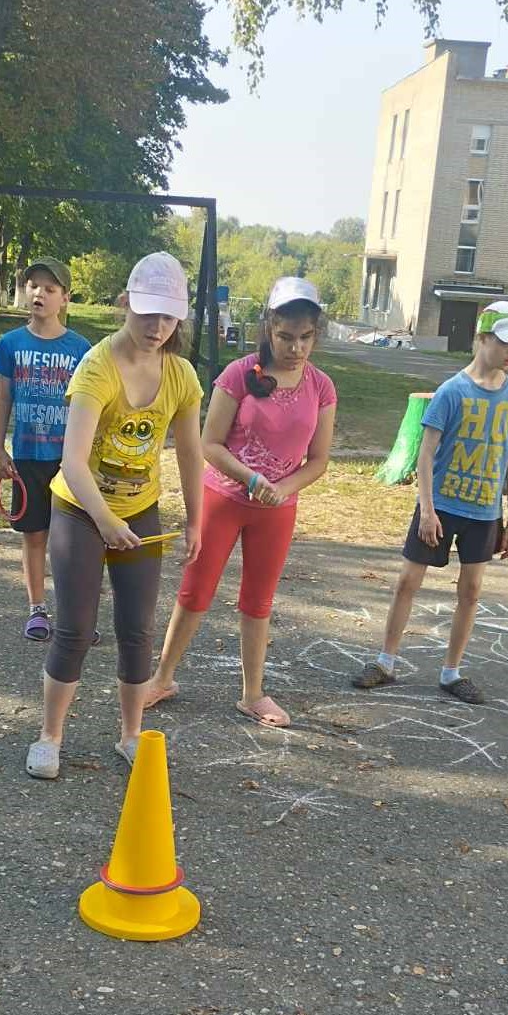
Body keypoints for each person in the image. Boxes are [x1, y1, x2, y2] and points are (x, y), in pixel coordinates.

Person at [24, 252, 204, 780]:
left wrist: (196, 520)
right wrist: (105, 522)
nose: (157, 327)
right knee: (75, 628)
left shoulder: (181, 375)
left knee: (137, 629)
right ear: (126, 302)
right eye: (148, 313)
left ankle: (130, 736)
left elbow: (190, 453)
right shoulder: (97, 366)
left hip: (139, 509)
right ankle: (49, 736)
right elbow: (73, 462)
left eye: (168, 317)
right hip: (81, 510)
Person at [144, 276, 337, 727]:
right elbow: (209, 444)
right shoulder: (239, 374)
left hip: (277, 509)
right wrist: (250, 478)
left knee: (258, 600)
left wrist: (284, 488)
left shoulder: (321, 386)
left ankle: (253, 694)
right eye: (286, 336)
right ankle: (162, 678)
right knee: (196, 589)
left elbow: (319, 460)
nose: (296, 348)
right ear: (268, 327)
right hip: (224, 498)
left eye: (305, 337)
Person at [351, 300, 508, 705]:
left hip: (484, 511)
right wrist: (427, 509)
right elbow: (426, 454)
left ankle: (451, 672)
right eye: (505, 341)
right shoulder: (452, 391)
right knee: (407, 581)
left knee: (471, 590)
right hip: (441, 507)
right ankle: (385, 661)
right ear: (482, 339)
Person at [0, 257, 91, 641]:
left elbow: (90, 405)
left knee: (74, 542)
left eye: (50, 289)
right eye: (34, 286)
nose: (40, 294)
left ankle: (75, 616)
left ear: (65, 298)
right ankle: (37, 608)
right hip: (28, 458)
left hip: (70, 462)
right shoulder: (10, 344)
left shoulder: (81, 349)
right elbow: (3, 399)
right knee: (34, 535)